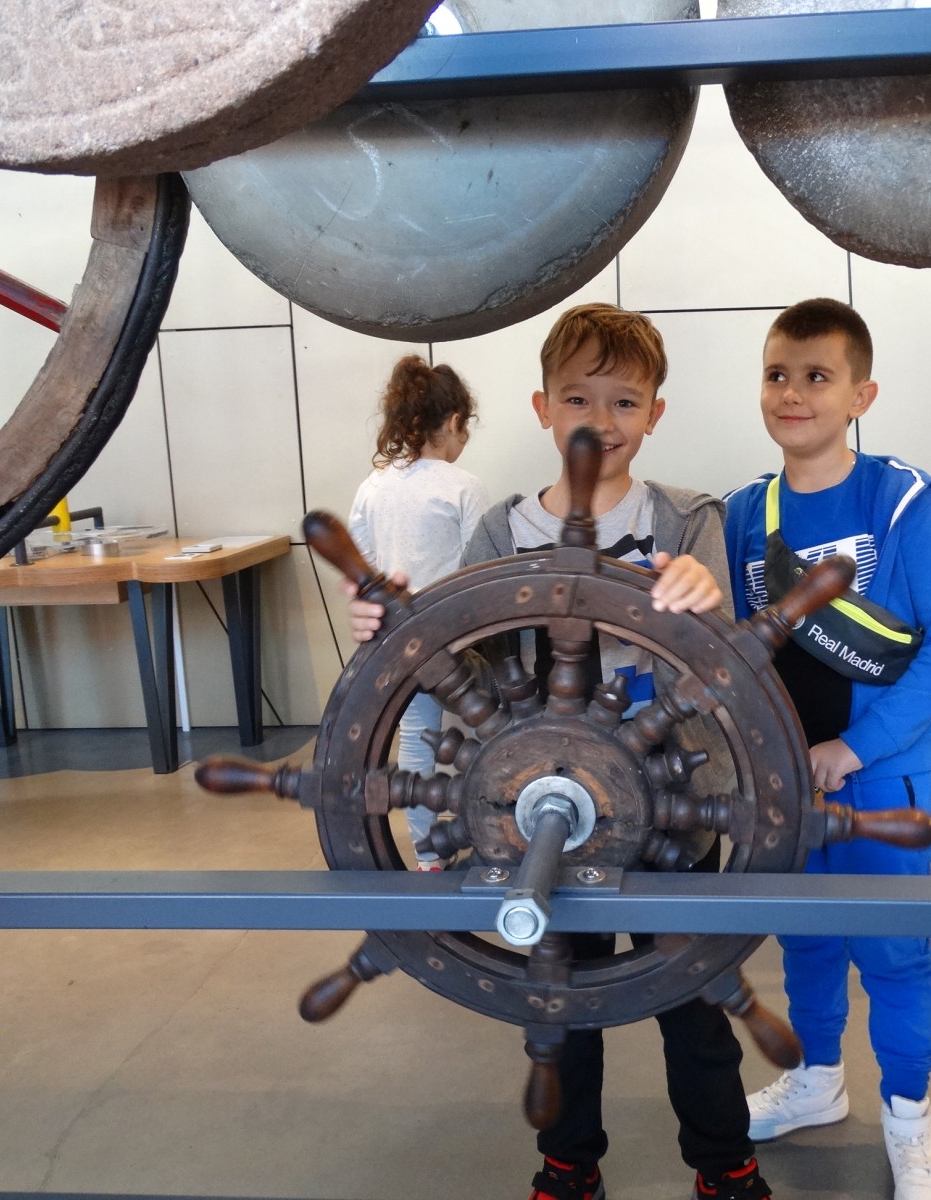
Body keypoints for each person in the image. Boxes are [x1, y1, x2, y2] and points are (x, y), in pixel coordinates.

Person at [349, 303, 770, 1200]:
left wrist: (705, 598)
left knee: (695, 1003)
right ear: (543, 408)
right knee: (562, 1002)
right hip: (551, 815)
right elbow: (467, 670)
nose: (600, 420)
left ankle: (726, 1165)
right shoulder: (502, 533)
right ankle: (570, 1166)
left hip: (676, 813)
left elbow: (730, 666)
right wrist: (398, 634)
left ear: (655, 413)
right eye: (578, 398)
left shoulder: (689, 521)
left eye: (625, 401)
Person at [723, 298, 931, 1200]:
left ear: (861, 395)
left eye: (817, 377)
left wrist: (857, 746)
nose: (792, 393)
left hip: (881, 783)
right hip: (787, 785)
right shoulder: (745, 512)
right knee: (807, 941)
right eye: (776, 375)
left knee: (895, 953)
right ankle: (817, 1083)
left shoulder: (903, 501)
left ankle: (909, 1122)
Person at [348, 354, 489, 868]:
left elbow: (363, 564)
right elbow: (483, 567)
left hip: (398, 638)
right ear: (453, 423)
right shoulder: (463, 486)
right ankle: (497, 837)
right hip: (460, 638)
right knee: (488, 735)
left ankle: (428, 855)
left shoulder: (372, 486)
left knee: (416, 743)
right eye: (465, 429)